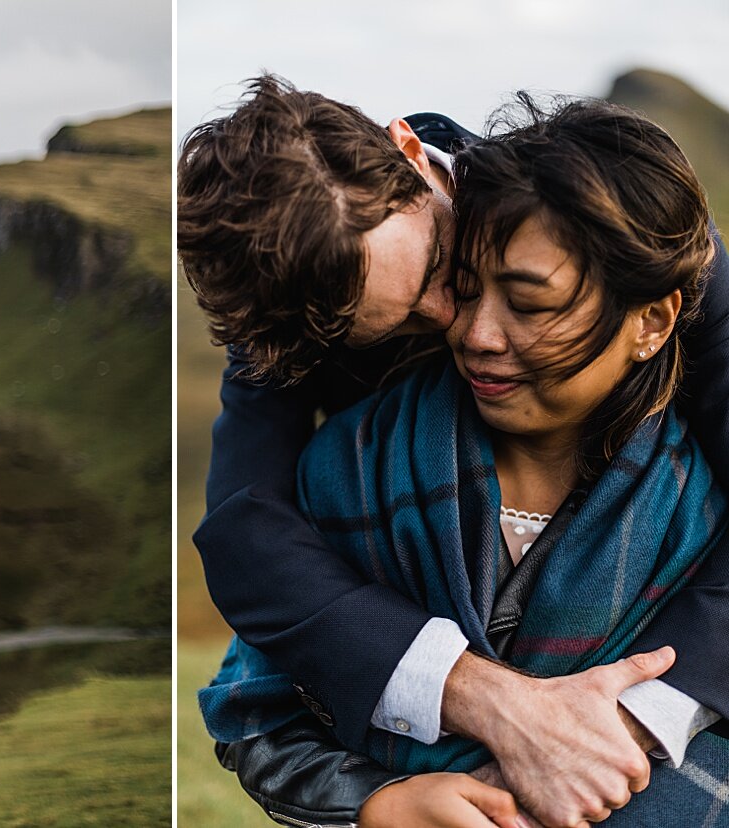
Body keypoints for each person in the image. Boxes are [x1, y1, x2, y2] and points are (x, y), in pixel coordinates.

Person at [178, 76, 729, 827]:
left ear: (412, 153)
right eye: (399, 323)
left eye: (447, 267)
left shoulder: (624, 219)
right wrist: (476, 706)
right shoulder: (333, 421)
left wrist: (624, 723)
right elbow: (247, 535)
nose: (458, 326)